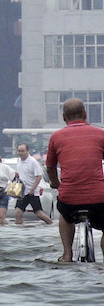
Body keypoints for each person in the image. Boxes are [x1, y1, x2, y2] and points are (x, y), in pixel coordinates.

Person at [45, 98, 104, 262]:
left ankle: (67, 254)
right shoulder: (100, 134)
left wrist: (56, 183)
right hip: (100, 198)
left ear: (64, 118)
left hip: (70, 199)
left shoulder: (56, 137)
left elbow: (50, 168)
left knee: (64, 214)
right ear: (85, 114)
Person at [14, 142, 53, 225]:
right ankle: (18, 230)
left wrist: (32, 189)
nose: (20, 153)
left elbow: (39, 176)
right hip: (22, 192)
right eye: (19, 151)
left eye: (22, 151)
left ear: (27, 151)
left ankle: (51, 223)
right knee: (18, 212)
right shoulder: (19, 161)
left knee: (39, 213)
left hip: (32, 192)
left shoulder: (33, 162)